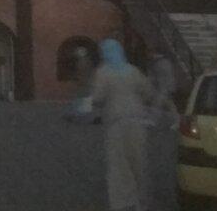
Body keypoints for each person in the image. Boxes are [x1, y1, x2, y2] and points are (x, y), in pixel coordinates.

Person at [92, 38, 157, 211]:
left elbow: (98, 98)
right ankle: (141, 202)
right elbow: (149, 93)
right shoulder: (133, 70)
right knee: (138, 161)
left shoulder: (103, 72)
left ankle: (121, 202)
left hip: (115, 122)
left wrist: (93, 103)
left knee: (118, 165)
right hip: (137, 120)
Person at [147, 52, 180, 129]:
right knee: (170, 105)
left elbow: (161, 77)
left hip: (164, 87)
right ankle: (177, 121)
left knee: (158, 103)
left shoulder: (159, 64)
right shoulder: (165, 63)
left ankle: (153, 120)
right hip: (166, 87)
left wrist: (152, 79)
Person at [67, 45, 98, 124]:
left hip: (83, 83)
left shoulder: (81, 62)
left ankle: (79, 117)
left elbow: (81, 73)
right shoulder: (88, 61)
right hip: (87, 83)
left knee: (81, 100)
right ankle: (85, 117)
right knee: (85, 101)